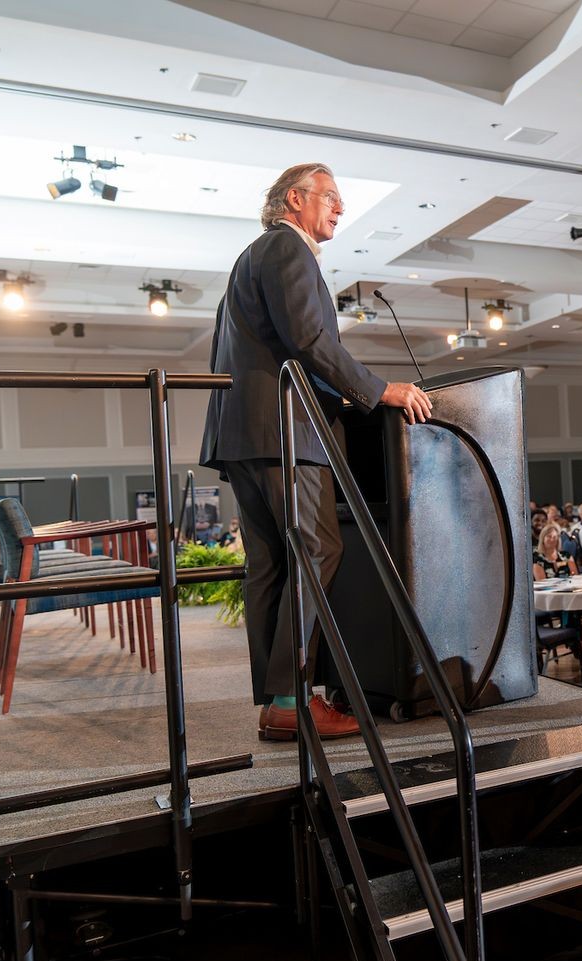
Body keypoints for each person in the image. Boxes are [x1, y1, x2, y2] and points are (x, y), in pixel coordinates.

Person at [200, 162, 432, 741]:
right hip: (286, 433)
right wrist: (378, 390)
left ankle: (279, 701)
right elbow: (308, 338)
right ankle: (290, 699)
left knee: (271, 566)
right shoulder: (287, 249)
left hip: (246, 435)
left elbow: (267, 346)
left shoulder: (250, 257)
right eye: (330, 196)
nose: (340, 207)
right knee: (316, 550)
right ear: (294, 200)